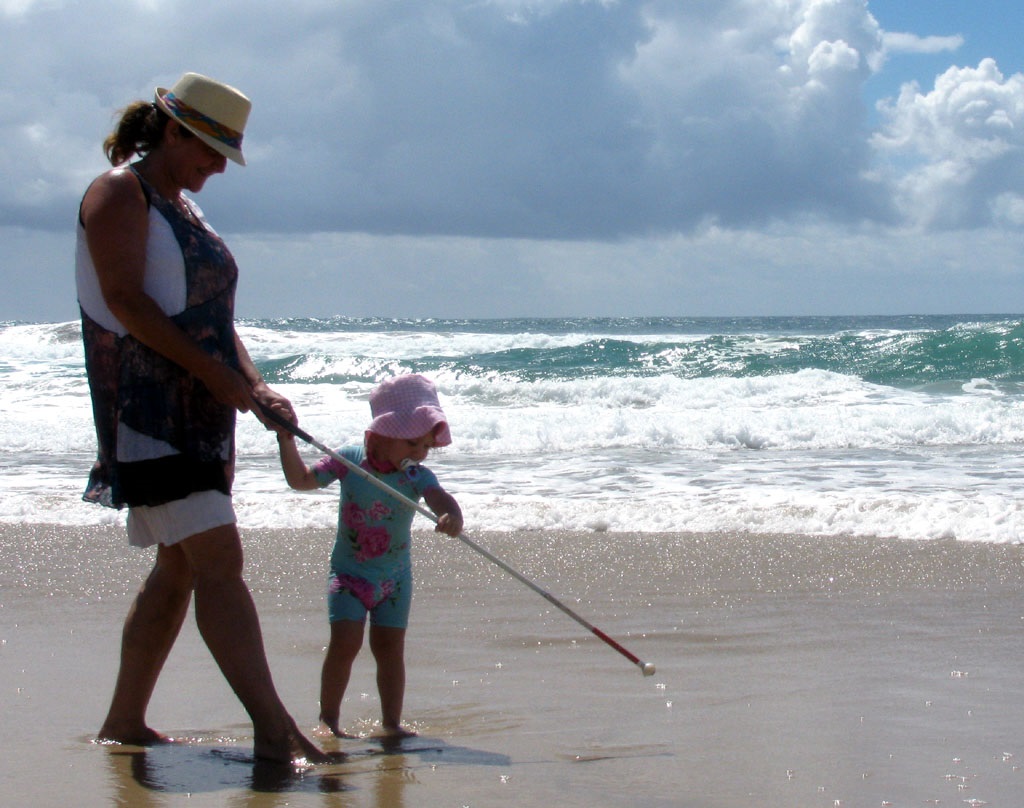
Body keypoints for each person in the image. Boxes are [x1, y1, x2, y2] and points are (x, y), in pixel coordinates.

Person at [76, 72, 324, 764]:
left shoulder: (184, 209)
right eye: (211, 149)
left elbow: (217, 323)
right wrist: (215, 374)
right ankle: (275, 731)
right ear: (174, 130)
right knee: (219, 561)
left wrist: (255, 385)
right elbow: (126, 301)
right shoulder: (120, 193)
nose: (218, 166)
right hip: (148, 413)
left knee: (177, 570)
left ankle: (125, 720)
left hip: (204, 416)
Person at [275, 374, 464, 738]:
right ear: (381, 434)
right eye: (412, 442)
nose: (420, 453)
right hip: (349, 577)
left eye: (426, 445)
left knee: (390, 650)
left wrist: (452, 516)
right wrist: (287, 440)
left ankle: (392, 724)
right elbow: (301, 480)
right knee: (345, 645)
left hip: (395, 580)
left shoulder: (417, 476)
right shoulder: (349, 460)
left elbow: (440, 498)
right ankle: (329, 721)